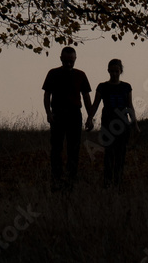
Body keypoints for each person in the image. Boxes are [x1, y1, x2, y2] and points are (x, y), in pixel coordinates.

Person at [42, 46, 93, 190]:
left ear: (75, 59)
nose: (69, 64)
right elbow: (47, 94)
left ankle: (71, 177)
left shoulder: (81, 75)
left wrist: (90, 117)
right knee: (56, 148)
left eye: (71, 61)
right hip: (57, 114)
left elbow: (86, 96)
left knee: (74, 148)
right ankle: (56, 177)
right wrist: (48, 112)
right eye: (66, 61)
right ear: (61, 59)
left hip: (74, 114)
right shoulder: (53, 73)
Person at [86, 58, 140, 188]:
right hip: (108, 125)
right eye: (112, 71)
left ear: (121, 71)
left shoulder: (126, 87)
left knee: (121, 154)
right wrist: (89, 118)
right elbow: (95, 104)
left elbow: (130, 106)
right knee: (109, 154)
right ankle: (108, 182)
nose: (114, 74)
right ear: (108, 71)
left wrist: (135, 125)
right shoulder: (102, 87)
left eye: (117, 71)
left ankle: (118, 181)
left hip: (123, 125)